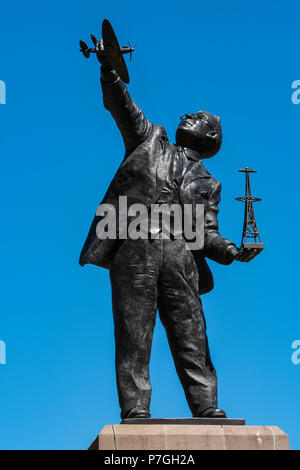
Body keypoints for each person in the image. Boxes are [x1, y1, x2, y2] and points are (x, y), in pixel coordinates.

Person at [79, 38, 258, 420]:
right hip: (136, 248)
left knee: (191, 333)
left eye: (197, 117)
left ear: (211, 137)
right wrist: (109, 70)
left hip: (181, 255)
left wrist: (230, 251)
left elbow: (206, 232)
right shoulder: (150, 140)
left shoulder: (210, 183)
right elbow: (124, 109)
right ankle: (136, 408)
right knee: (134, 333)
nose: (187, 116)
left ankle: (206, 404)